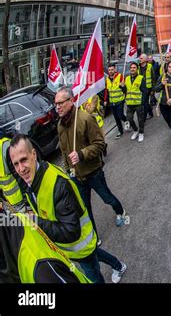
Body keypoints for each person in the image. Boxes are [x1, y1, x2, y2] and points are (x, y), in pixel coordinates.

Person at [8, 135, 127, 283]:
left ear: (34, 154)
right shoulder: (31, 180)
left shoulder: (57, 184)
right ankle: (118, 265)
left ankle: (118, 265)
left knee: (93, 276)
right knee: (94, 254)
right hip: (76, 249)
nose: (21, 168)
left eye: (24, 160)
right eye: (16, 164)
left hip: (79, 247)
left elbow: (71, 231)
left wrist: (35, 221)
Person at [54, 86, 128, 238]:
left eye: (61, 103)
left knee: (107, 198)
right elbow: (64, 151)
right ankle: (93, 236)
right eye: (56, 104)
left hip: (93, 173)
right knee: (85, 207)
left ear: (71, 101)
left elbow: (100, 144)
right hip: (77, 176)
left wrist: (81, 154)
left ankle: (120, 211)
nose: (57, 107)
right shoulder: (60, 125)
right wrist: (69, 170)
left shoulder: (85, 119)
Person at [0, 210, 90, 283]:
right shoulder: (16, 220)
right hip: (69, 259)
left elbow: (70, 231)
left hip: (82, 249)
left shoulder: (42, 270)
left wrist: (35, 220)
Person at [104, 64, 129, 140]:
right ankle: (120, 131)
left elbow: (125, 89)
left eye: (112, 69)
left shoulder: (120, 76)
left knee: (120, 115)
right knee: (116, 118)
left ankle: (126, 120)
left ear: (115, 69)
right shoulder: (107, 79)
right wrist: (105, 100)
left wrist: (123, 86)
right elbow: (106, 91)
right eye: (109, 70)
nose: (110, 71)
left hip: (120, 100)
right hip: (112, 102)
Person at [125, 62, 146, 142]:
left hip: (138, 103)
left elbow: (144, 91)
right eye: (131, 68)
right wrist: (122, 87)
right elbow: (126, 90)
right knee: (129, 118)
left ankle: (141, 133)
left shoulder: (141, 78)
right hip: (129, 103)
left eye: (134, 68)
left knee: (140, 119)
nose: (132, 69)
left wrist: (142, 102)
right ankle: (136, 130)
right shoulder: (127, 78)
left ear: (137, 69)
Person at [138, 53, 156, 120]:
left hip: (148, 88)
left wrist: (152, 90)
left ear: (145, 59)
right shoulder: (138, 67)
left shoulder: (150, 66)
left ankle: (144, 117)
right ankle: (150, 113)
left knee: (144, 103)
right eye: (140, 58)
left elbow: (153, 79)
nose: (140, 59)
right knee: (146, 103)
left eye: (141, 58)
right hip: (141, 88)